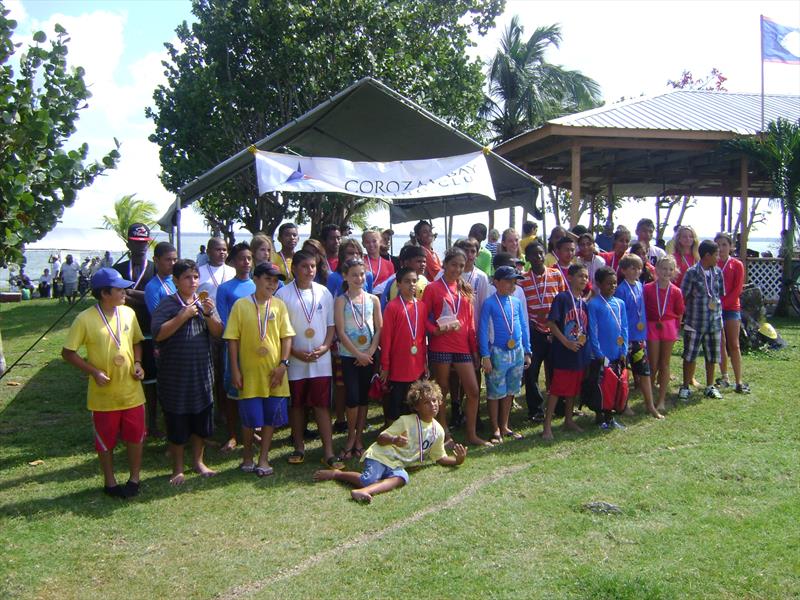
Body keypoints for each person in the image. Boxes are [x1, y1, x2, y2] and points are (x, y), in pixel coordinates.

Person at [61, 268, 145, 498]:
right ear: (105, 293)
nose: (125, 292)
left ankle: (134, 479)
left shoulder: (128, 313)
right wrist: (93, 372)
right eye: (119, 289)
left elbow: (137, 341)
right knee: (105, 441)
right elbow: (68, 353)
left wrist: (137, 363)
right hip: (103, 395)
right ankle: (110, 482)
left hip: (132, 392)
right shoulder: (85, 319)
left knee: (135, 437)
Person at [312, 380, 467, 503]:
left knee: (402, 478)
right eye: (426, 402)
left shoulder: (438, 430)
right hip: (381, 456)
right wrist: (394, 439)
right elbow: (380, 438)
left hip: (397, 464)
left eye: (434, 400)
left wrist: (457, 460)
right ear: (416, 407)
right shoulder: (405, 421)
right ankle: (337, 474)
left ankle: (365, 492)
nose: (432, 405)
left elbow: (440, 457)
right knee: (368, 480)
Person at [151, 259, 223, 485]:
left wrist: (210, 314)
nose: (192, 282)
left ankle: (199, 462)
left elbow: (218, 333)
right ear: (175, 281)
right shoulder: (168, 304)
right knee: (177, 423)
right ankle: (178, 468)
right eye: (186, 277)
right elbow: (158, 334)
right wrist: (182, 316)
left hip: (201, 374)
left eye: (195, 277)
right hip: (175, 376)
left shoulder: (204, 302)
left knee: (200, 422)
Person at [274, 250, 344, 469]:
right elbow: (279, 331)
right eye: (304, 266)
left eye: (313, 266)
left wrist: (324, 347)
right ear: (294, 268)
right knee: (297, 405)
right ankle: (299, 447)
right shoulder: (283, 295)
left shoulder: (323, 292)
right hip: (295, 360)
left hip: (320, 360)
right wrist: (293, 351)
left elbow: (331, 325)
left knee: (322, 406)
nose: (309, 270)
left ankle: (329, 451)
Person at [225, 262, 292, 477]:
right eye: (267, 279)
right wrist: (235, 370)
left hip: (274, 373)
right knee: (250, 418)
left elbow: (286, 337)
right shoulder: (241, 305)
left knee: (270, 419)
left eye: (275, 280)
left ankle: (264, 458)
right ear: (256, 279)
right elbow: (232, 340)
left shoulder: (279, 306)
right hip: (250, 375)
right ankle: (247, 456)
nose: (272, 284)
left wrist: (283, 364)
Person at [422, 247, 489, 447]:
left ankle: (471, 434)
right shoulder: (433, 288)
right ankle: (445, 434)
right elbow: (423, 318)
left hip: (462, 347)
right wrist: (434, 331)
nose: (457, 269)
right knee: (441, 390)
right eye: (454, 265)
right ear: (445, 264)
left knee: (473, 390)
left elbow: (470, 324)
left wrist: (474, 349)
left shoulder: (464, 288)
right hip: (440, 344)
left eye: (461, 265)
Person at [335, 257, 382, 460]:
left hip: (368, 357)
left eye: (362, 274)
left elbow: (379, 327)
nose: (359, 278)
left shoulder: (373, 299)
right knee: (352, 398)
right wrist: (358, 354)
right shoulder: (341, 301)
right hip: (350, 356)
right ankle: (350, 436)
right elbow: (340, 331)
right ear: (345, 276)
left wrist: (370, 352)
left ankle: (359, 438)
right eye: (354, 274)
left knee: (363, 398)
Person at [113, 223, 158, 434]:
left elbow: (155, 299)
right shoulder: (118, 270)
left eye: (144, 243)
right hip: (123, 332)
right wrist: (140, 297)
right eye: (136, 243)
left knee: (151, 381)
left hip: (150, 331)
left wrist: (130, 294)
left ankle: (153, 422)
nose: (141, 247)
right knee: (125, 376)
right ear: (128, 243)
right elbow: (115, 300)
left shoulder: (155, 268)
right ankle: (128, 423)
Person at [479, 266, 531, 443]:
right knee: (495, 391)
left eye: (514, 281)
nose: (512, 284)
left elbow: (523, 326)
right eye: (508, 281)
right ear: (496, 282)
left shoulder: (515, 302)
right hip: (497, 353)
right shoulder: (489, 303)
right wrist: (485, 355)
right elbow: (483, 330)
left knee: (510, 390)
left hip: (516, 351)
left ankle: (505, 425)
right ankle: (495, 428)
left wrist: (527, 350)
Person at [215, 242, 256, 452]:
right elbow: (223, 320)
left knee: (253, 389)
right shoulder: (225, 289)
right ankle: (232, 434)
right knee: (233, 390)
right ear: (233, 261)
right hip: (234, 346)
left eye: (249, 258)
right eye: (241, 258)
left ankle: (252, 428)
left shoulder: (258, 286)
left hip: (257, 347)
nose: (246, 262)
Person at [542, 263, 591, 441]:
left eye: (586, 277)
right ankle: (547, 425)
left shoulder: (583, 303)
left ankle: (569, 420)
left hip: (578, 351)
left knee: (573, 388)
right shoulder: (562, 298)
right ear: (570, 277)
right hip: (564, 351)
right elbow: (551, 324)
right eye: (580, 276)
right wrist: (566, 342)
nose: (584, 280)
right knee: (557, 389)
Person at [520, 241, 565, 422]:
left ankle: (559, 406)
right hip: (534, 331)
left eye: (540, 254)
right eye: (533, 255)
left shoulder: (555, 274)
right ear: (528, 258)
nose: (538, 257)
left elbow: (562, 299)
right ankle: (536, 410)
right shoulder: (522, 280)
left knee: (556, 371)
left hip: (554, 330)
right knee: (531, 372)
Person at [615, 255, 662, 419]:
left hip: (640, 338)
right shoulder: (620, 290)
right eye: (633, 268)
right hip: (627, 338)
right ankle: (624, 404)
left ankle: (650, 405)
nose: (637, 271)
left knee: (644, 371)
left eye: (639, 268)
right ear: (624, 270)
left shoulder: (641, 287)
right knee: (625, 373)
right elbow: (619, 315)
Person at [379, 267, 428, 424]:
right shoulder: (392, 307)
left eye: (414, 281)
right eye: (407, 281)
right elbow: (386, 339)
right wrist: (385, 365)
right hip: (398, 367)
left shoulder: (422, 306)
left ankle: (413, 436)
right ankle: (391, 435)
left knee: (414, 404)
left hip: (417, 365)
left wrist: (425, 363)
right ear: (398, 284)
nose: (411, 285)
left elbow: (421, 337)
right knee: (396, 404)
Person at [679, 240, 725, 401]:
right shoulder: (692, 273)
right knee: (690, 355)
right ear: (707, 255)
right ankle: (685, 386)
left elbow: (720, 294)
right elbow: (682, 296)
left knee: (712, 356)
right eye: (716, 254)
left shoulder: (718, 272)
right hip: (695, 322)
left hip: (714, 322)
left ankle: (710, 386)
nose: (718, 258)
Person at [588, 266, 629, 429]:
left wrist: (624, 350)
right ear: (598, 284)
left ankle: (610, 416)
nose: (612, 287)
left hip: (616, 352)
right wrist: (598, 353)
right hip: (601, 355)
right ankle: (600, 416)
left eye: (614, 283)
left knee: (615, 384)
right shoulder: (594, 304)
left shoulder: (620, 303)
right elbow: (593, 330)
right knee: (601, 385)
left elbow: (624, 327)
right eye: (608, 284)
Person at [644, 256, 685, 412]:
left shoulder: (676, 291)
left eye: (670, 269)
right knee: (653, 364)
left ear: (674, 271)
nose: (666, 272)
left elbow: (679, 312)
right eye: (663, 268)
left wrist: (675, 329)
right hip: (652, 326)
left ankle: (661, 399)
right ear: (657, 269)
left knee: (665, 363)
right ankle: (650, 398)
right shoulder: (647, 288)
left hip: (668, 327)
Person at [715, 232, 749, 394]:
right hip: (715, 309)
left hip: (731, 309)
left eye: (724, 245)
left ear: (730, 247)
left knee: (734, 344)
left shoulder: (736, 264)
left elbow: (737, 289)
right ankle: (725, 376)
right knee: (720, 343)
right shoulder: (712, 264)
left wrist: (723, 304)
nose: (721, 248)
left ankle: (738, 380)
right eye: (718, 245)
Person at [380, 244, 429, 310]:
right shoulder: (394, 282)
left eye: (424, 262)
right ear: (406, 263)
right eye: (418, 261)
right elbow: (383, 304)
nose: (423, 264)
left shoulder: (424, 281)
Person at [144, 242, 178, 315]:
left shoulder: (179, 281)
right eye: (168, 260)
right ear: (156, 260)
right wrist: (185, 314)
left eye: (175, 260)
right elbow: (158, 319)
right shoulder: (152, 287)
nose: (172, 263)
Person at [362, 229, 394, 294]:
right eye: (367, 242)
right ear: (363, 244)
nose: (371, 245)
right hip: (364, 299)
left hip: (382, 301)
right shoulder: (360, 262)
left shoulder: (388, 264)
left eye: (374, 241)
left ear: (380, 242)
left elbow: (391, 286)